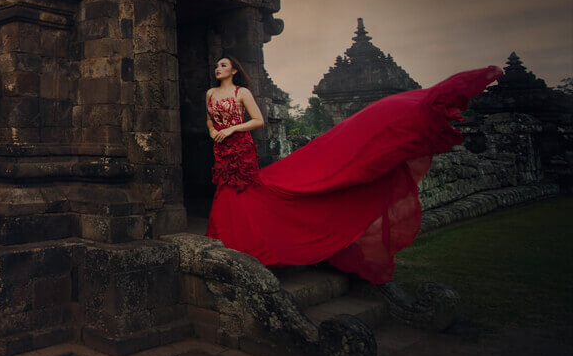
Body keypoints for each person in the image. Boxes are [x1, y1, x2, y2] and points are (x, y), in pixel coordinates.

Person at [204, 56, 502, 284]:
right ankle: (229, 238)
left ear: (233, 71)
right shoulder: (209, 94)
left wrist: (230, 131)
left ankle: (247, 241)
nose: (218, 68)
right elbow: (209, 120)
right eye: (217, 65)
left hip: (239, 147)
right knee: (227, 190)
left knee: (246, 189)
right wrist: (214, 132)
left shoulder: (242, 92)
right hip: (222, 148)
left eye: (223, 65)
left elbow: (258, 121)